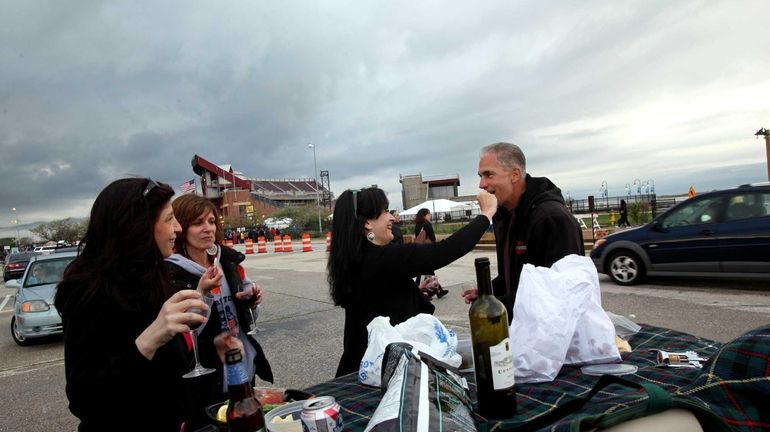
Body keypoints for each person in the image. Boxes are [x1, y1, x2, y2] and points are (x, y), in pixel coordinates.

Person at [54, 178, 243, 431]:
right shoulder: (87, 290)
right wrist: (149, 339)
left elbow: (171, 364)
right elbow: (85, 399)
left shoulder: (154, 275)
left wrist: (213, 347)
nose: (177, 228)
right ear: (138, 227)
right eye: (169, 219)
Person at [327, 187, 497, 377]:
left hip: (359, 366)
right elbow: (444, 251)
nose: (391, 217)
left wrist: (414, 292)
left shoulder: (354, 260)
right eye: (384, 212)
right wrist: (486, 214)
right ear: (367, 222)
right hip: (381, 371)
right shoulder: (384, 257)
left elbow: (378, 297)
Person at [164, 194, 274, 424]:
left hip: (243, 365)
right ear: (180, 227)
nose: (208, 229)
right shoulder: (171, 274)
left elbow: (245, 316)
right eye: (197, 223)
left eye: (212, 222)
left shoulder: (228, 261)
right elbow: (180, 336)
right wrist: (202, 293)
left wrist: (251, 301)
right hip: (208, 380)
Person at [469, 142, 584, 322]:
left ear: (515, 174)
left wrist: (499, 305)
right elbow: (514, 276)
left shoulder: (551, 218)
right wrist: (487, 292)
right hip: (520, 327)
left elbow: (559, 290)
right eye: (481, 176)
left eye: (489, 174)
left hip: (550, 332)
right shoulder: (504, 216)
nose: (482, 184)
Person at [414, 208, 449, 299]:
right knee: (426, 270)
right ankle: (421, 291)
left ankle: (438, 291)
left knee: (425, 270)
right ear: (425, 215)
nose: (431, 215)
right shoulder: (427, 224)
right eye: (429, 214)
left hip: (419, 250)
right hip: (427, 250)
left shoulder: (418, 225)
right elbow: (432, 238)